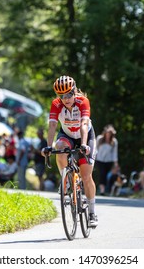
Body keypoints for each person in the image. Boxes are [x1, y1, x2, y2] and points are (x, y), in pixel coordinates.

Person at [41, 75, 98, 227]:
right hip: (67, 135)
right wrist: (48, 146)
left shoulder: (83, 102)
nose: (65, 99)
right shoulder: (56, 105)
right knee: (59, 149)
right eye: (62, 96)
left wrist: (84, 145)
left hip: (85, 135)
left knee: (86, 175)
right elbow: (52, 125)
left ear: (74, 92)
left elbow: (84, 124)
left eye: (68, 95)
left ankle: (92, 212)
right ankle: (66, 180)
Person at [95, 124, 118, 195]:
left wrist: (116, 162)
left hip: (109, 161)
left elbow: (114, 152)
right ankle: (102, 190)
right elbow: (95, 149)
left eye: (110, 133)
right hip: (100, 159)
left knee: (106, 175)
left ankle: (107, 189)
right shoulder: (99, 139)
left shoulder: (114, 141)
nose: (108, 134)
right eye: (108, 132)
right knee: (102, 173)